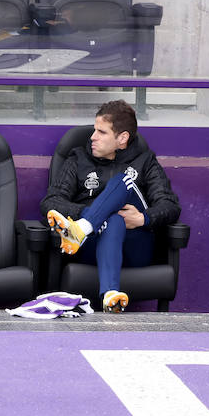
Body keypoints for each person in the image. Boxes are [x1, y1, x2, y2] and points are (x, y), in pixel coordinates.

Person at [42, 100, 181, 312]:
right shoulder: (78, 159)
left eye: (101, 132)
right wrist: (91, 214)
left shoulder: (144, 161)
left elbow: (170, 205)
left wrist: (144, 218)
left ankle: (81, 229)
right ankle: (110, 294)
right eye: (94, 130)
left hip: (135, 246)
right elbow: (51, 201)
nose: (92, 137)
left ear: (122, 138)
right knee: (114, 218)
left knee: (123, 181)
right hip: (91, 245)